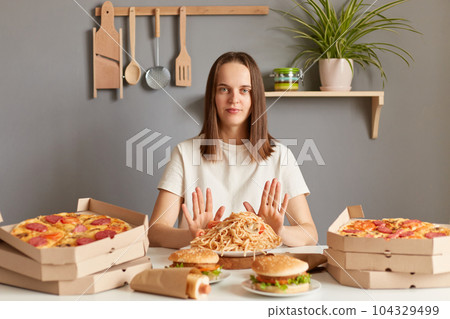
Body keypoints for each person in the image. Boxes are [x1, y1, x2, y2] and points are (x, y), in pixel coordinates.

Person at [148, 52, 318, 248]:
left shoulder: (281, 155)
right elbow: (155, 232)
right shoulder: (185, 153)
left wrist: (277, 230)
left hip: (259, 271)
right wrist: (193, 235)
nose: (234, 99)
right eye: (224, 89)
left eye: (244, 90)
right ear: (213, 96)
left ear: (256, 97)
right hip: (202, 271)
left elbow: (310, 234)